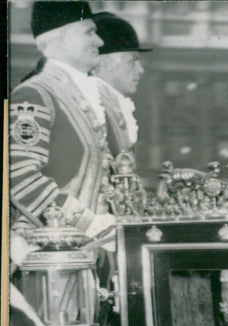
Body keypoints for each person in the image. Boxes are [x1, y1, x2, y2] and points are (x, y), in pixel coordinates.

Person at [9, 1, 111, 266]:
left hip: (83, 256)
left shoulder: (77, 95)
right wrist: (90, 223)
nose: (99, 41)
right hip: (48, 259)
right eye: (89, 32)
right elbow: (20, 178)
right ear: (62, 39)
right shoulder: (34, 94)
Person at [91, 12, 150, 158]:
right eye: (132, 61)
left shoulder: (112, 105)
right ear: (107, 62)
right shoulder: (92, 106)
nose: (140, 70)